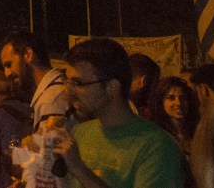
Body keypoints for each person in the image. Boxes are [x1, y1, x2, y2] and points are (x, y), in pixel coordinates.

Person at [52, 37, 183, 188]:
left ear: (112, 87)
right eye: (68, 82)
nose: (69, 91)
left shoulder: (157, 147)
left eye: (78, 83)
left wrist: (80, 170)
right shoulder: (79, 134)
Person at [0, 29, 72, 132]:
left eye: (9, 64)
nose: (7, 73)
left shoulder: (50, 101)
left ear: (27, 54)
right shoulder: (57, 90)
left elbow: (50, 147)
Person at [149, 76, 199, 156]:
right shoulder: (157, 135)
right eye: (171, 98)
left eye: (182, 98)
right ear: (161, 102)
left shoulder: (197, 132)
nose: (178, 103)